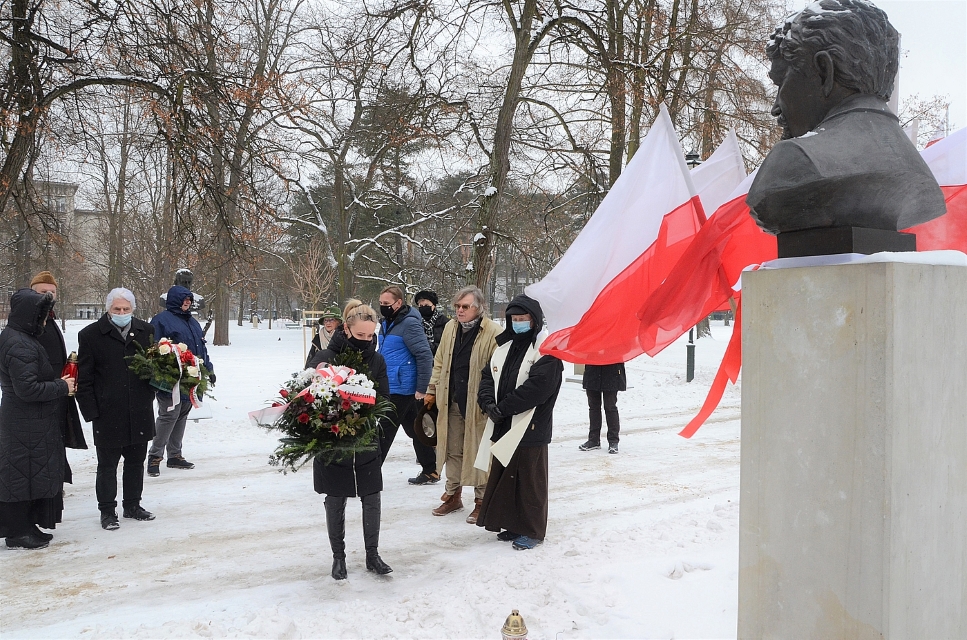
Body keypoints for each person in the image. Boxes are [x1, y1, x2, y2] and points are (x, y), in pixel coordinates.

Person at [747, 0, 945, 237]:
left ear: (824, 71)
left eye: (781, 82)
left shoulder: (795, 160)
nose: (776, 107)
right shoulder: (917, 171)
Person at [307, 300, 394, 579]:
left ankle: (373, 555)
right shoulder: (326, 356)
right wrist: (337, 415)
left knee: (372, 497)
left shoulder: (377, 360)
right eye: (360, 336)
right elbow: (309, 394)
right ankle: (338, 557)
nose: (366, 341)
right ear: (346, 328)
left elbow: (385, 398)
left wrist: (368, 410)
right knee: (335, 498)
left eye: (371, 336)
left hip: (366, 437)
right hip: (333, 439)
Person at [476, 294, 563, 551]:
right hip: (503, 421)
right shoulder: (504, 347)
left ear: (535, 321)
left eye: (523, 319)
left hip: (530, 424)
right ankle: (512, 523)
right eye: (514, 319)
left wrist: (503, 408)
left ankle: (533, 529)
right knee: (507, 477)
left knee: (530, 480)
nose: (518, 323)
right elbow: (487, 378)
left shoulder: (546, 350)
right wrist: (488, 403)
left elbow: (538, 387)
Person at [0, 289, 76, 549]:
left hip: (27, 420)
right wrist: (61, 386)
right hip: (24, 421)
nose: (45, 321)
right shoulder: (19, 344)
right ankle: (17, 531)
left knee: (27, 473)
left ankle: (25, 525)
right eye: (42, 316)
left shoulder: (19, 338)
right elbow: (28, 389)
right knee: (20, 474)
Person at [76, 288, 158, 530]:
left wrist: (151, 393)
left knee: (136, 461)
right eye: (117, 309)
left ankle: (132, 505)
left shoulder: (146, 331)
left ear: (133, 309)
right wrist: (91, 411)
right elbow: (86, 378)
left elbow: (154, 367)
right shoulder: (90, 335)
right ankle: (107, 511)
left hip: (139, 409)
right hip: (108, 412)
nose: (122, 313)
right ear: (108, 309)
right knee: (107, 465)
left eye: (126, 309)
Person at [423, 286, 501, 523]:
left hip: (478, 404)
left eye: (465, 306)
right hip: (452, 399)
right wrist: (432, 390)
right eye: (457, 306)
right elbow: (439, 362)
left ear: (479, 308)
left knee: (479, 451)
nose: (459, 310)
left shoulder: (493, 332)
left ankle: (482, 500)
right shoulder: (450, 328)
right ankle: (453, 494)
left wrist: (491, 402)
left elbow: (498, 371)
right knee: (452, 449)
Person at [147, 285, 215, 476]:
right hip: (170, 379)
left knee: (182, 414)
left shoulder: (193, 322)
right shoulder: (161, 321)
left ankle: (174, 455)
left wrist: (209, 370)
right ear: (175, 300)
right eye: (184, 299)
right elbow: (154, 349)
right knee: (169, 414)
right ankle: (154, 456)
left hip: (191, 378)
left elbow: (201, 349)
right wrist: (164, 371)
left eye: (189, 300)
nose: (187, 302)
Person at [29, 271, 88, 479]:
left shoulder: (50, 319)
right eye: (43, 292)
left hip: (57, 390)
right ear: (32, 293)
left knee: (56, 437)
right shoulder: (28, 322)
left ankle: (55, 477)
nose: (49, 296)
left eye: (52, 292)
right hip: (40, 393)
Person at [375, 285, 435, 484]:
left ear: (398, 303)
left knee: (383, 432)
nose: (382, 307)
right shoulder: (386, 323)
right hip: (390, 384)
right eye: (381, 303)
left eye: (386, 304)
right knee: (416, 429)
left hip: (404, 388)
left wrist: (422, 387)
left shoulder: (409, 324)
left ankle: (369, 476)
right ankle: (430, 470)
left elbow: (424, 355)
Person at [578, 363, 626, 454]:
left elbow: (623, 351)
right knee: (593, 407)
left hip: (611, 372)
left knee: (610, 407)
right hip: (593, 371)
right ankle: (593, 440)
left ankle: (613, 441)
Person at [413, 290, 450, 355]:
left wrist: (430, 346)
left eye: (427, 305)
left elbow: (448, 345)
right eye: (421, 306)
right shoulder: (415, 323)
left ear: (434, 306)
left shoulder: (445, 323)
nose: (424, 307)